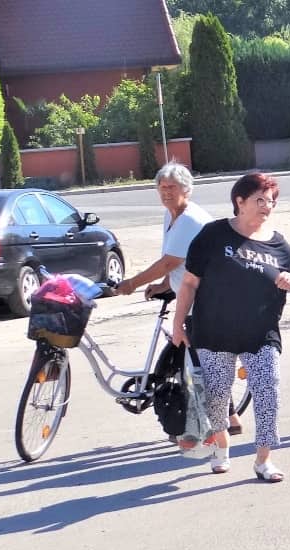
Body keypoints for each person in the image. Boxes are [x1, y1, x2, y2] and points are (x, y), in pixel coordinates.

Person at [172, 173, 290, 482]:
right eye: (259, 200)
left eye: (271, 201)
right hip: (214, 332)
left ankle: (264, 459)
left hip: (261, 333)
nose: (267, 207)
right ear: (240, 201)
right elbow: (190, 283)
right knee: (217, 397)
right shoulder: (213, 234)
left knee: (268, 389)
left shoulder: (278, 243)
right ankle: (221, 447)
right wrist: (178, 323)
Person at [116, 162, 243, 437]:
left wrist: (132, 283)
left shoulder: (190, 220)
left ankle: (226, 423)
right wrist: (164, 285)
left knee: (202, 362)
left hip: (209, 300)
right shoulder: (172, 215)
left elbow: (168, 262)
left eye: (172, 187)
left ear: (187, 190)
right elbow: (177, 260)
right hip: (193, 296)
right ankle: (227, 418)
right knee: (199, 359)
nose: (166, 193)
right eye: (162, 188)